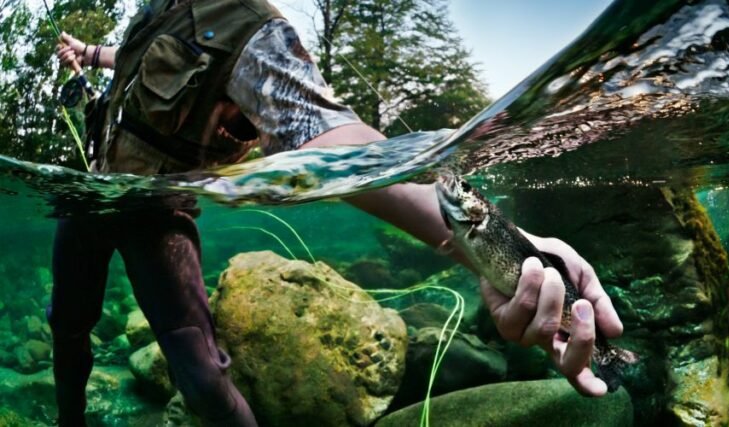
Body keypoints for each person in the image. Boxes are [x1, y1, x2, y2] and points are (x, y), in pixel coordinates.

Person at [53, 0, 623, 425]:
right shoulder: (155, 11)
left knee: (200, 375)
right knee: (66, 328)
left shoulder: (250, 26)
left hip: (158, 217)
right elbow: (127, 60)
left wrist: (499, 242)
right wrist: (87, 56)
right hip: (85, 197)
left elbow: (331, 141)